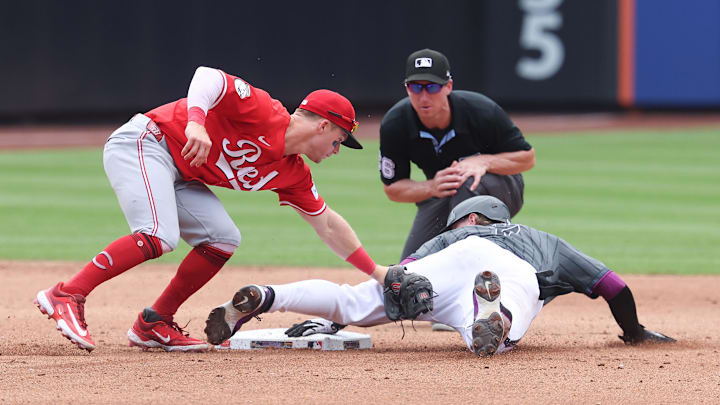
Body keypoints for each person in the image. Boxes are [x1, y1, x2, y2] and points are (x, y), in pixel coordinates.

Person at [33, 66, 387, 353]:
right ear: (323, 125)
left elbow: (327, 225)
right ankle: (67, 293)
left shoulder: (293, 171)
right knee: (159, 235)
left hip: (180, 173)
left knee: (223, 238)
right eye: (339, 140)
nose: (337, 150)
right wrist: (196, 123)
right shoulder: (264, 110)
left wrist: (378, 273)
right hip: (147, 141)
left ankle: (155, 322)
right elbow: (208, 76)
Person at [221, 196, 675, 356]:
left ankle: (268, 295)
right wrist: (633, 332)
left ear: (471, 219)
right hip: (510, 270)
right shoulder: (543, 239)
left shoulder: (450, 238)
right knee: (502, 325)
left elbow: (400, 279)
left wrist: (335, 323)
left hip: (433, 269)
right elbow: (613, 286)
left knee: (353, 301)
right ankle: (492, 315)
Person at [378, 48, 535, 260]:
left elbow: (527, 158)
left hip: (502, 188)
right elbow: (393, 188)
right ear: (407, 89)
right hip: (445, 192)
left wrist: (483, 161)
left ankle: (474, 261)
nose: (423, 96)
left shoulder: (480, 111)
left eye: (432, 87)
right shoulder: (395, 124)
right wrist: (431, 186)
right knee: (411, 267)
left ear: (448, 86)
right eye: (415, 87)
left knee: (465, 178)